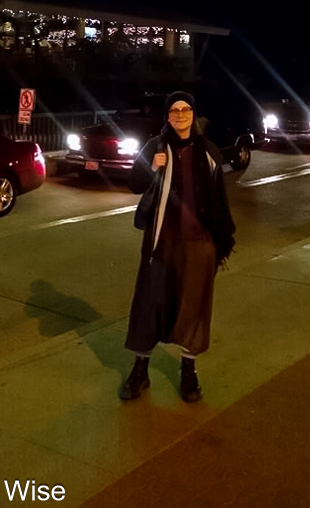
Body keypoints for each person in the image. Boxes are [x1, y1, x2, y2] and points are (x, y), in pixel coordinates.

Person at [120, 90, 236, 403]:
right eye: (174, 110)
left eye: (185, 110)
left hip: (199, 243)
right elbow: (133, 184)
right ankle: (140, 370)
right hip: (162, 242)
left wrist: (222, 241)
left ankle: (188, 371)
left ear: (193, 115)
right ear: (168, 117)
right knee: (149, 304)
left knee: (193, 308)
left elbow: (220, 202)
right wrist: (150, 167)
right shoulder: (156, 147)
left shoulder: (209, 152)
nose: (180, 115)